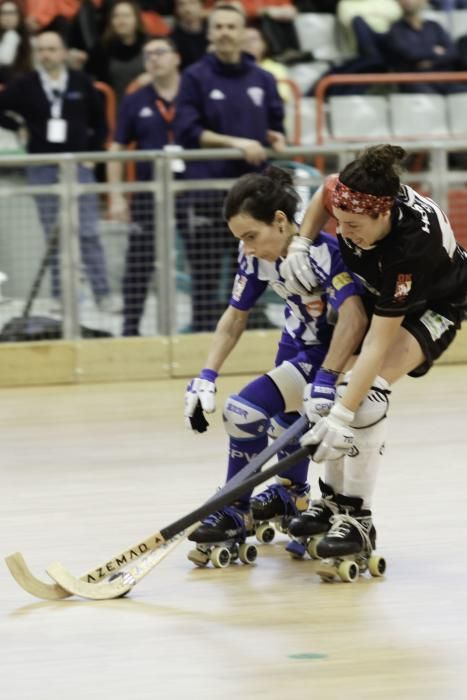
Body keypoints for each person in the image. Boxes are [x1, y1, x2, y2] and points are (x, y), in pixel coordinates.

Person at [280, 144, 467, 564]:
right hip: (378, 288)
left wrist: (343, 417)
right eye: (340, 223)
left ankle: (358, 520)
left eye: (354, 225)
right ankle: (331, 504)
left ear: (383, 215)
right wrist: (300, 244)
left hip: (435, 304)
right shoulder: (353, 195)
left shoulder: (411, 247)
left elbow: (377, 342)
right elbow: (323, 194)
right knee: (333, 397)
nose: (344, 232)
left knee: (361, 403)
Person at [183, 166, 369, 559]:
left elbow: (354, 317)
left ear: (281, 221)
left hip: (325, 355)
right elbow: (236, 315)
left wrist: (328, 378)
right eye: (240, 239)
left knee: (242, 412)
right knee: (285, 425)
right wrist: (206, 375)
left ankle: (234, 510)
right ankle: (291, 496)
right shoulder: (253, 256)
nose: (247, 247)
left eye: (251, 236)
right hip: (293, 346)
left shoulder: (325, 252)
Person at [175, 3, 287, 332]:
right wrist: (235, 143)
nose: (225, 33)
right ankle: (204, 332)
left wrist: (276, 138)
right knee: (206, 273)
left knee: (255, 267)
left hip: (254, 197)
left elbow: (276, 126)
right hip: (208, 192)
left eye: (231, 27)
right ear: (210, 34)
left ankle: (252, 330)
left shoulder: (263, 78)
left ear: (243, 33)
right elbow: (187, 131)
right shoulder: (195, 77)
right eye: (219, 27)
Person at [0, 30, 114, 311]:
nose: (47, 54)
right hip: (41, 166)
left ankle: (103, 294)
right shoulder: (24, 84)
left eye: (52, 49)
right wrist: (19, 127)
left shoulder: (81, 82)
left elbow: (101, 122)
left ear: (63, 52)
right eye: (42, 49)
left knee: (87, 231)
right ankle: (61, 295)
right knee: (54, 234)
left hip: (78, 165)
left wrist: (92, 155)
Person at [107, 36, 181, 336]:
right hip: (150, 194)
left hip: (193, 191)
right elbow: (117, 147)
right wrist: (116, 196)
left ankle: (205, 326)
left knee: (208, 260)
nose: (153, 58)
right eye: (147, 53)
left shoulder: (195, 94)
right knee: (138, 262)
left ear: (176, 58)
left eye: (160, 52)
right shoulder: (135, 100)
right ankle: (129, 329)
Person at [85, 0, 148, 105]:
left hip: (146, 106)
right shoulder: (100, 50)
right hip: (112, 109)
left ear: (137, 19)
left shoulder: (149, 45)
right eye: (116, 16)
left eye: (126, 16)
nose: (121, 21)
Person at [0, 0, 33, 84]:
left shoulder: (29, 39)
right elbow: (5, 60)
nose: (7, 17)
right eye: (3, 13)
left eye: (12, 13)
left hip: (22, 81)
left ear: (19, 16)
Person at [169, 0, 208, 71]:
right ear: (176, 9)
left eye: (192, 3)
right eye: (181, 4)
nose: (187, 9)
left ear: (201, 5)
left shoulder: (212, 31)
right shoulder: (172, 39)